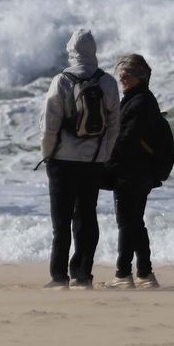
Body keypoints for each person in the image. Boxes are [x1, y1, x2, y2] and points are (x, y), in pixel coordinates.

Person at [39, 28, 120, 289]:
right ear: (93, 51)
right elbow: (114, 125)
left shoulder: (61, 81)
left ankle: (59, 277)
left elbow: (49, 125)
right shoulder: (108, 82)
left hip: (62, 160)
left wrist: (47, 155)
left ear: (71, 51)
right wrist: (104, 154)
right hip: (93, 161)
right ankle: (83, 275)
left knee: (61, 221)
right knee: (86, 216)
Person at [106, 53, 162, 289]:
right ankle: (145, 274)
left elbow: (127, 139)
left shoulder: (139, 102)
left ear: (141, 75)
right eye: (121, 73)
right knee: (134, 222)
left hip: (132, 172)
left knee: (127, 223)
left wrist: (106, 159)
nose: (123, 77)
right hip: (139, 171)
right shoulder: (138, 99)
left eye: (128, 73)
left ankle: (123, 274)